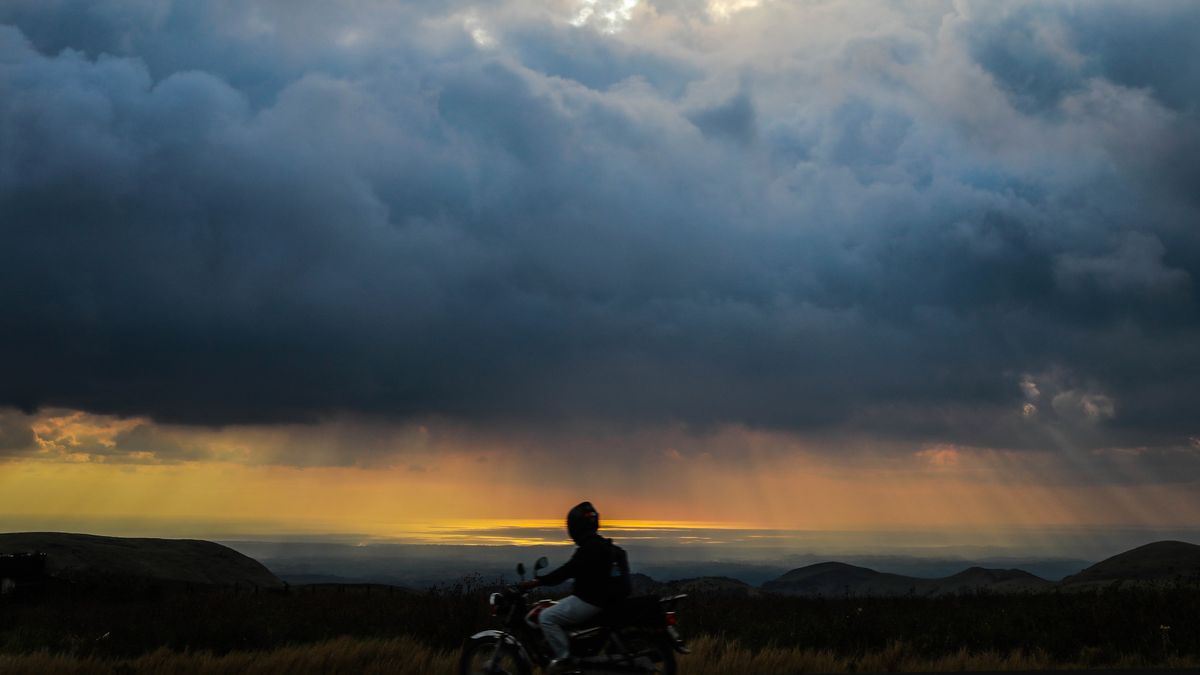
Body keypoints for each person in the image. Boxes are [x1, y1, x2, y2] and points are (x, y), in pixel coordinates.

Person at [520, 501, 630, 674]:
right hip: (602, 601)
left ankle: (565, 659)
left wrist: (539, 581)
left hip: (590, 601)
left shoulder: (589, 548)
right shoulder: (603, 545)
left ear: (575, 527)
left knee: (546, 617)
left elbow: (566, 571)